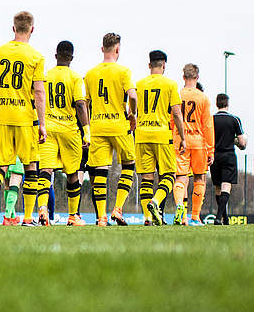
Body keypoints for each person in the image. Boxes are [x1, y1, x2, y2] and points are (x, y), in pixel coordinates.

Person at [0, 11, 47, 226]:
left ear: (13, 28)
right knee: (30, 166)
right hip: (25, 117)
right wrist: (42, 124)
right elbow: (38, 92)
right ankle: (28, 217)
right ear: (32, 29)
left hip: (1, 115)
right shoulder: (36, 56)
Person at [84, 33, 137, 226]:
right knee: (129, 165)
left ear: (101, 49)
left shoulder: (90, 74)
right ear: (117, 49)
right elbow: (133, 95)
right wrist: (132, 113)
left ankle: (101, 217)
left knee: (100, 171)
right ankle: (118, 208)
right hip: (119, 125)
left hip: (97, 126)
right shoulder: (123, 71)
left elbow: (86, 103)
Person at [134, 51, 187, 225]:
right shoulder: (171, 84)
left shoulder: (139, 84)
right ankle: (155, 202)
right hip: (162, 135)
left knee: (147, 178)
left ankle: (148, 219)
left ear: (149, 65)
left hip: (141, 135)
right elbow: (177, 113)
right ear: (164, 65)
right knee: (169, 175)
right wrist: (183, 137)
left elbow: (132, 109)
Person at [41, 40, 91, 226]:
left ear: (56, 56)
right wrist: (86, 130)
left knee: (45, 170)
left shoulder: (46, 76)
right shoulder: (76, 77)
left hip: (50, 128)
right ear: (71, 57)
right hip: (69, 130)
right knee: (72, 172)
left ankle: (43, 210)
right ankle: (72, 215)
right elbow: (80, 104)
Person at [172, 64, 215, 225]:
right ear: (197, 77)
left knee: (180, 177)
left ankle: (181, 214)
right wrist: (211, 150)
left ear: (183, 77)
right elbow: (208, 126)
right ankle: (195, 217)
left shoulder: (177, 94)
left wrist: (174, 138)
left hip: (180, 140)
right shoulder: (203, 98)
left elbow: (172, 120)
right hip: (198, 141)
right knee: (199, 177)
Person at [210, 93, 248, 223]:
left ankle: (224, 218)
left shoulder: (210, 119)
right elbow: (242, 143)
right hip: (228, 156)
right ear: (227, 104)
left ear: (217, 104)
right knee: (226, 186)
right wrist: (236, 141)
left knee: (217, 188)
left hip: (214, 156)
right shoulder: (234, 119)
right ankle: (218, 217)